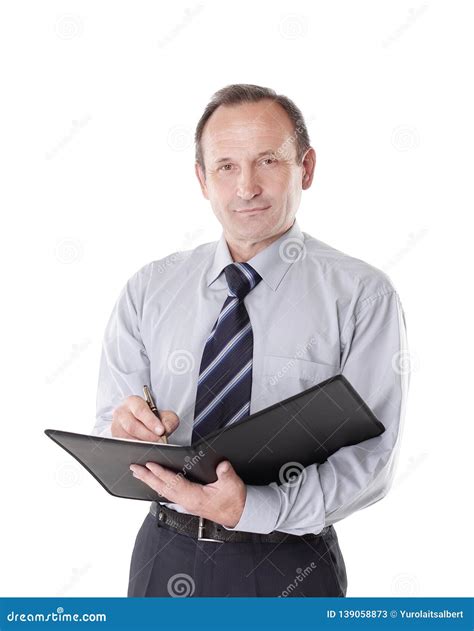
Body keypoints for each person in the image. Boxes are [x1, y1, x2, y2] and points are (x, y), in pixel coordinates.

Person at [92, 84, 409, 597]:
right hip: (161, 553)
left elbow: (370, 459)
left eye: (267, 161)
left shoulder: (361, 294)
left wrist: (251, 509)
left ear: (305, 168)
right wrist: (126, 431)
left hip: (290, 563)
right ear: (202, 179)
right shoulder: (150, 287)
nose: (246, 187)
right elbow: (111, 422)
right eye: (225, 167)